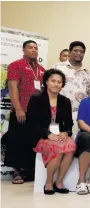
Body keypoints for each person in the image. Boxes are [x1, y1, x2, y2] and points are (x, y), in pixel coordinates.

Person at [4, 40, 46, 184]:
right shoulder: (16, 65)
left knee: (32, 141)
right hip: (21, 110)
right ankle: (16, 172)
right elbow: (12, 87)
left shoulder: (42, 70)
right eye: (30, 47)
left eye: (36, 48)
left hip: (37, 113)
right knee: (17, 140)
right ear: (23, 50)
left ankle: (29, 171)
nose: (34, 50)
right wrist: (18, 108)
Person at [31, 69, 76, 195]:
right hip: (41, 135)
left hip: (58, 134)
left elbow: (69, 123)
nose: (56, 84)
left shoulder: (65, 101)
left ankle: (59, 182)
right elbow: (33, 123)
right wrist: (48, 134)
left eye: (59, 82)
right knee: (58, 148)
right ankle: (49, 182)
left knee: (71, 147)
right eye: (53, 81)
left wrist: (66, 132)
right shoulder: (36, 99)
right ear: (46, 82)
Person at [53, 41, 90, 137]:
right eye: (75, 50)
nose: (78, 53)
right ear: (70, 52)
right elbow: (49, 88)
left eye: (81, 51)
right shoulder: (58, 67)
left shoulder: (87, 72)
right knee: (58, 141)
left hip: (80, 114)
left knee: (77, 143)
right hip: (59, 111)